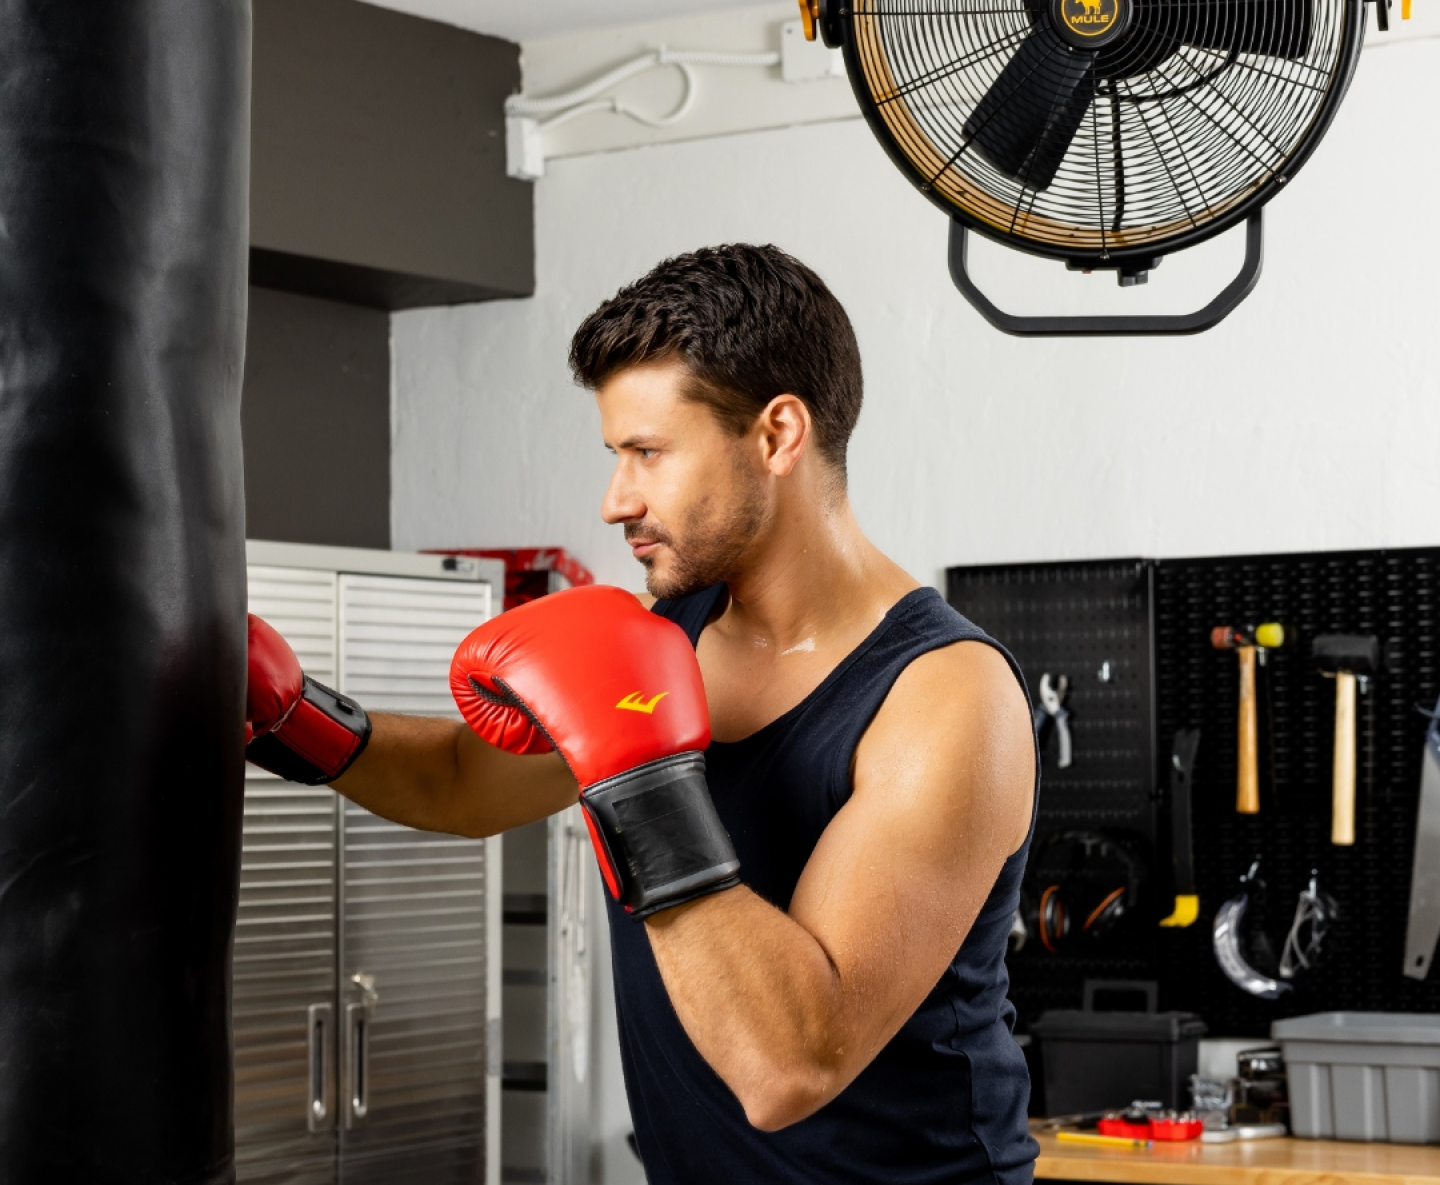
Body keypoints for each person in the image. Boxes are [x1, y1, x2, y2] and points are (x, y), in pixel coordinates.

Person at [245, 244, 1039, 1184]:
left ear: (778, 435)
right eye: (615, 456)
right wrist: (295, 720)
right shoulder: (666, 641)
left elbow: (791, 1064)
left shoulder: (945, 696)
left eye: (648, 453)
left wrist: (635, 780)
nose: (616, 500)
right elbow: (462, 782)